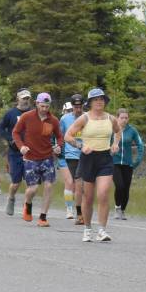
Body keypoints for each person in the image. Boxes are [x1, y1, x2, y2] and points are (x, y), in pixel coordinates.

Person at [65, 88, 121, 243]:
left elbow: (118, 131)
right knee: (88, 198)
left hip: (105, 158)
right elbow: (67, 136)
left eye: (102, 99)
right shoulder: (84, 118)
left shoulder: (110, 119)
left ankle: (102, 230)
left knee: (103, 194)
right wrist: (80, 146)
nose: (99, 102)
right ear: (89, 103)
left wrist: (115, 144)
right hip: (88, 158)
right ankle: (87, 229)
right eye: (96, 100)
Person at [12, 92, 63, 228]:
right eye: (42, 106)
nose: (44, 109)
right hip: (30, 158)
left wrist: (58, 146)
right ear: (36, 104)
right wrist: (21, 146)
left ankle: (43, 217)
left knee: (48, 185)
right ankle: (27, 204)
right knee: (33, 189)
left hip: (47, 157)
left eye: (47, 106)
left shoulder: (53, 120)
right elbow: (16, 133)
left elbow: (59, 136)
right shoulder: (26, 117)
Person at [0, 89, 32, 216]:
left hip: (31, 152)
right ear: (18, 99)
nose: (26, 101)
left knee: (31, 182)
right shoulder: (11, 114)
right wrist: (10, 139)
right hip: (15, 152)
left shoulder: (34, 113)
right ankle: (11, 198)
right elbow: (0, 128)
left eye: (27, 98)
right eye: (23, 98)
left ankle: (27, 206)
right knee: (16, 182)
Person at [112, 108, 145, 220]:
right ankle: (117, 208)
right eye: (122, 118)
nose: (124, 120)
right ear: (117, 118)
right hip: (114, 163)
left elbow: (140, 145)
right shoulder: (112, 129)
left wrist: (137, 160)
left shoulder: (132, 130)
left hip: (128, 163)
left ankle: (123, 210)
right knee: (119, 185)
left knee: (126, 188)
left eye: (126, 118)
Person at [61, 93, 86, 224]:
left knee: (82, 186)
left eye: (80, 106)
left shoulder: (88, 118)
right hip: (71, 155)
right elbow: (60, 136)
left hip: (86, 154)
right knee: (76, 182)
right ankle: (78, 213)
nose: (78, 109)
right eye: (76, 107)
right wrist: (57, 148)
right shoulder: (65, 119)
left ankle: (81, 211)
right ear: (72, 106)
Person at [56, 101, 77, 220]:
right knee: (69, 181)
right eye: (67, 111)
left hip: (77, 156)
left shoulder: (80, 120)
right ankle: (69, 208)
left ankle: (77, 206)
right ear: (63, 111)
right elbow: (57, 136)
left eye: (70, 110)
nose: (69, 113)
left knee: (77, 183)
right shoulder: (62, 121)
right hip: (64, 156)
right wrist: (57, 148)